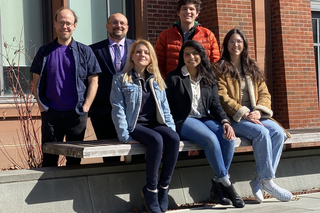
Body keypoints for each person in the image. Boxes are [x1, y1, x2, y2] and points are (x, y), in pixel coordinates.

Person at [213, 29, 292, 203]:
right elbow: (222, 97)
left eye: (239, 42)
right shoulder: (219, 68)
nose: (236, 45)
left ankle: (260, 179)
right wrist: (244, 112)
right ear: (226, 45)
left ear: (244, 45)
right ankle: (267, 181)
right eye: (232, 42)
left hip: (255, 114)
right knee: (261, 133)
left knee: (278, 133)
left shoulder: (251, 66)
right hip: (234, 117)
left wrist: (259, 110)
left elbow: (264, 92)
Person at [165, 40, 245, 208]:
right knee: (210, 139)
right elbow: (169, 107)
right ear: (182, 57)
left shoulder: (209, 77)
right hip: (184, 120)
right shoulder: (174, 77)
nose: (191, 57)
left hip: (205, 118)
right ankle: (228, 185)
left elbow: (215, 104)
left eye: (195, 53)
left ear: (201, 56)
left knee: (228, 138)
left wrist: (225, 121)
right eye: (187, 54)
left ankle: (217, 185)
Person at [110, 39, 180, 213]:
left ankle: (164, 187)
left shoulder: (157, 80)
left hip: (155, 123)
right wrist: (125, 136)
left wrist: (170, 128)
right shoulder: (121, 79)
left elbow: (165, 109)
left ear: (151, 58)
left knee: (173, 138)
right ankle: (151, 190)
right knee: (156, 140)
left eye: (146, 52)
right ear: (132, 56)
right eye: (138, 52)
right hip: (135, 125)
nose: (142, 55)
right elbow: (117, 108)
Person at [31, 8, 101, 167]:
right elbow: (35, 82)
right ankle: (50, 191)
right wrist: (41, 105)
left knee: (74, 160)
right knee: (49, 159)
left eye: (68, 23)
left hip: (76, 113)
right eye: (61, 22)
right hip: (51, 113)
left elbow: (94, 81)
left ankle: (72, 192)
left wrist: (86, 106)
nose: (65, 26)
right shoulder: (44, 51)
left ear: (75, 25)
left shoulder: (85, 51)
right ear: (55, 24)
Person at [89, 13, 134, 162]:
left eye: (122, 23)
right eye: (114, 23)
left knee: (136, 155)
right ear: (107, 26)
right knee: (110, 157)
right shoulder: (93, 50)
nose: (118, 26)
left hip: (132, 111)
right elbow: (87, 80)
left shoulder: (137, 48)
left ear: (127, 27)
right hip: (103, 111)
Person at [155, 0, 220, 79]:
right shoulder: (165, 36)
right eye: (184, 9)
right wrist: (166, 83)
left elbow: (215, 63)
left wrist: (210, 82)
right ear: (178, 12)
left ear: (197, 13)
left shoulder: (208, 35)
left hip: (202, 84)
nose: (188, 12)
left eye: (191, 9)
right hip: (174, 85)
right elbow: (158, 64)